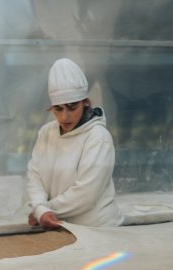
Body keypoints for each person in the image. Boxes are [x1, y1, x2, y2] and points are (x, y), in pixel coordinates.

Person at [26, 58, 123, 229]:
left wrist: (43, 210)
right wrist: (40, 208)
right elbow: (35, 175)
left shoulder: (98, 137)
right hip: (61, 227)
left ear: (86, 103)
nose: (64, 117)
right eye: (58, 109)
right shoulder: (46, 133)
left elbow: (86, 193)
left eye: (72, 108)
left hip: (99, 229)